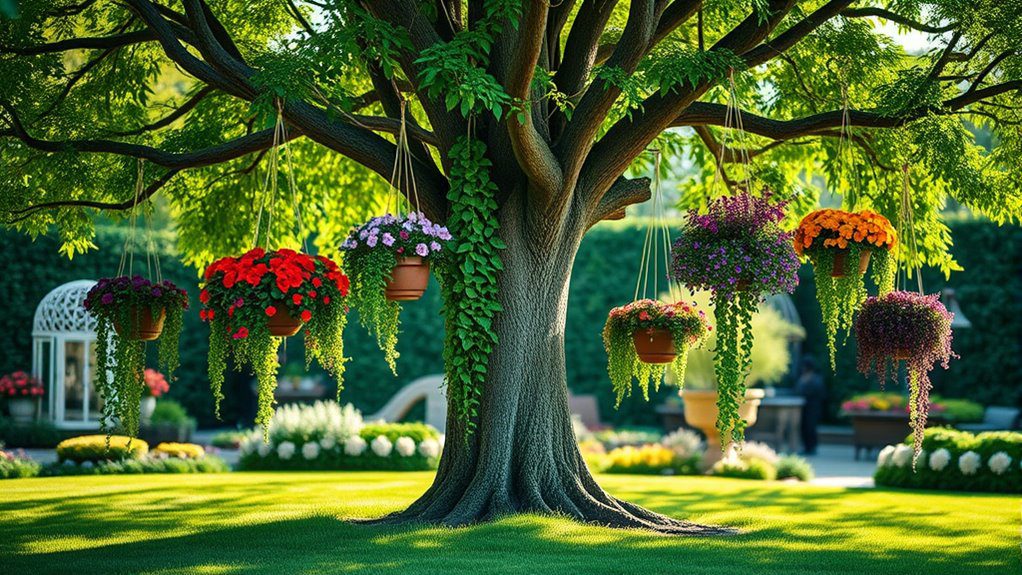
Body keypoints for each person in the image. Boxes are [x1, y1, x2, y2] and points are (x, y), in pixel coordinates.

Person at [795, 356, 826, 456]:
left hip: (813, 408)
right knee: (804, 427)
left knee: (811, 427)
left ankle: (812, 447)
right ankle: (806, 447)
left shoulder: (816, 379)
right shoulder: (802, 378)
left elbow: (819, 393)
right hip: (804, 408)